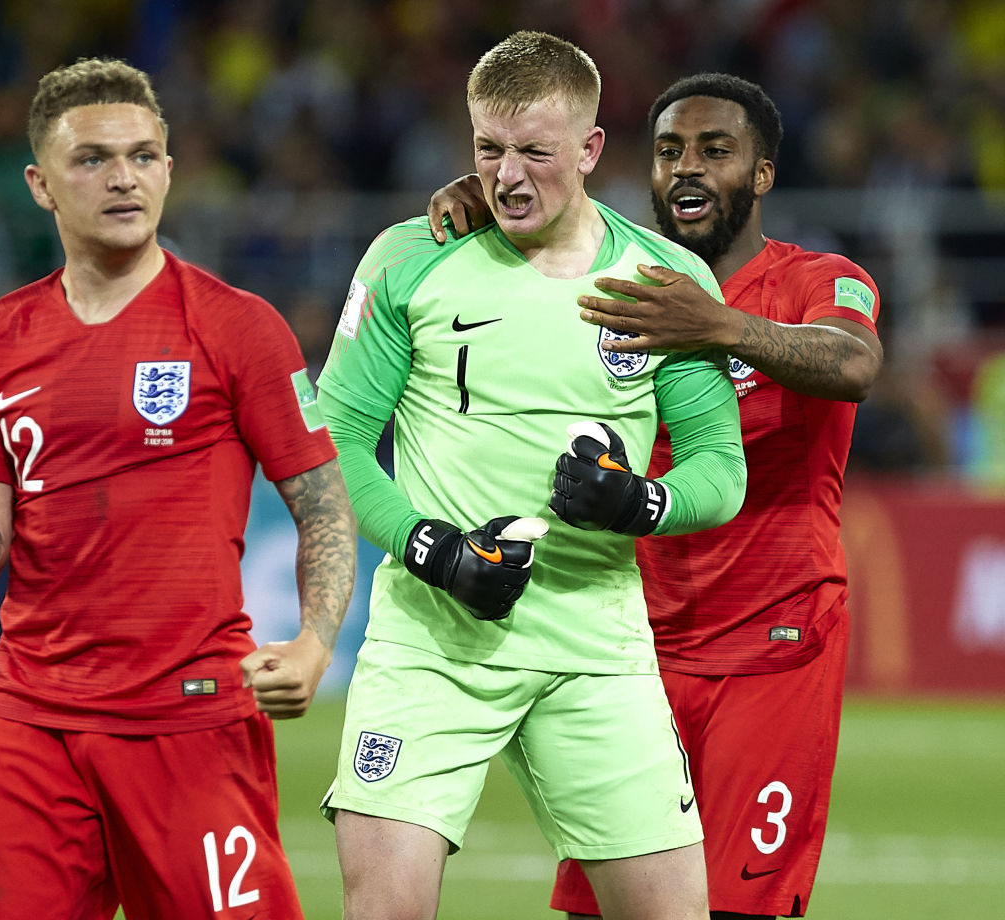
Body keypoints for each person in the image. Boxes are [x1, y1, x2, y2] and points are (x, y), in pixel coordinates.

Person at [0, 57, 358, 920]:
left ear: (170, 168)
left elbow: (321, 502)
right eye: (92, 159)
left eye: (142, 155)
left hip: (193, 716)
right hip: (33, 716)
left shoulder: (239, 326)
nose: (123, 177)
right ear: (41, 185)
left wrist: (315, 644)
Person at [427, 72, 883, 919]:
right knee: (608, 905)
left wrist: (720, 326)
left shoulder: (816, 279)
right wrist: (492, 195)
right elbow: (526, 240)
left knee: (736, 906)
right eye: (671, 149)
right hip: (628, 649)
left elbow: (855, 365)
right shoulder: (618, 274)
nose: (687, 169)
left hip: (773, 639)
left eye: (716, 151)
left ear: (762, 174)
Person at [318, 32, 747, 920]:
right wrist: (431, 549)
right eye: (488, 149)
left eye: (535, 152)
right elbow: (336, 447)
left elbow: (720, 469)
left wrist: (641, 500)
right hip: (432, 641)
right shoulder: (409, 258)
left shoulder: (662, 279)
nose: (506, 177)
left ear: (590, 150)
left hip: (595, 643)